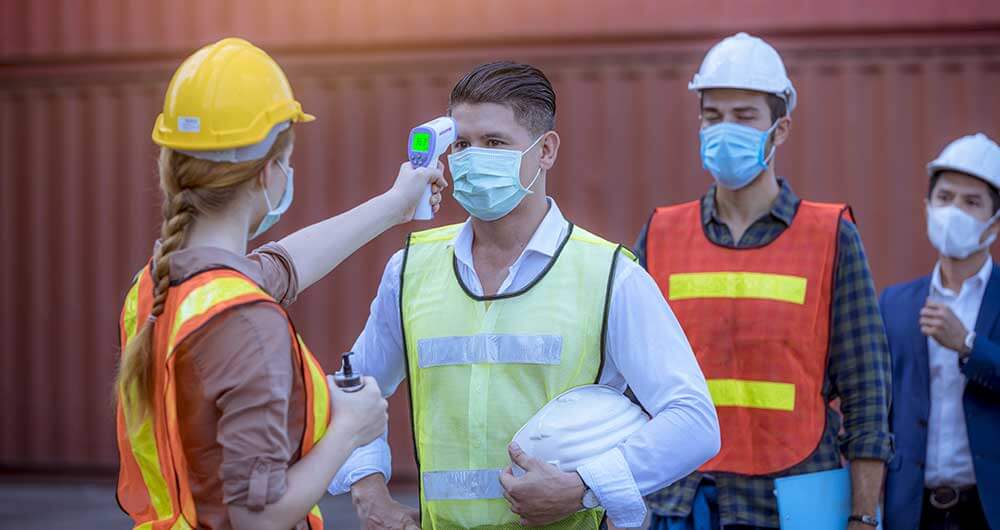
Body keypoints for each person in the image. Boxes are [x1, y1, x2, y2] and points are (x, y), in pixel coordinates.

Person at [326, 61, 721, 529]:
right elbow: (353, 390)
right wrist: (368, 491)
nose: (471, 160)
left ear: (546, 150)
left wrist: (584, 488)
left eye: (494, 143)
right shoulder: (410, 269)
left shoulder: (610, 274)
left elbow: (694, 423)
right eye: (462, 145)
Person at [114, 38, 446, 530]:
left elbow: (281, 266)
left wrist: (395, 205)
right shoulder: (246, 323)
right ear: (270, 173)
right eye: (287, 160)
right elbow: (259, 517)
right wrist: (349, 429)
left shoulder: (160, 284)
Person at [634, 33, 893, 529]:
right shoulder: (661, 233)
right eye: (712, 115)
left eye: (744, 115)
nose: (724, 129)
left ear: (781, 129)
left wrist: (864, 515)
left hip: (800, 495)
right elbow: (627, 376)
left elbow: (867, 390)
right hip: (685, 498)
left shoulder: (832, 235)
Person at [881, 133, 1000, 530]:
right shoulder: (895, 304)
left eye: (972, 203)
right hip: (913, 511)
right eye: (945, 198)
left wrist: (969, 346)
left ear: (994, 222)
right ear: (927, 207)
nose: (954, 212)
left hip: (986, 510)